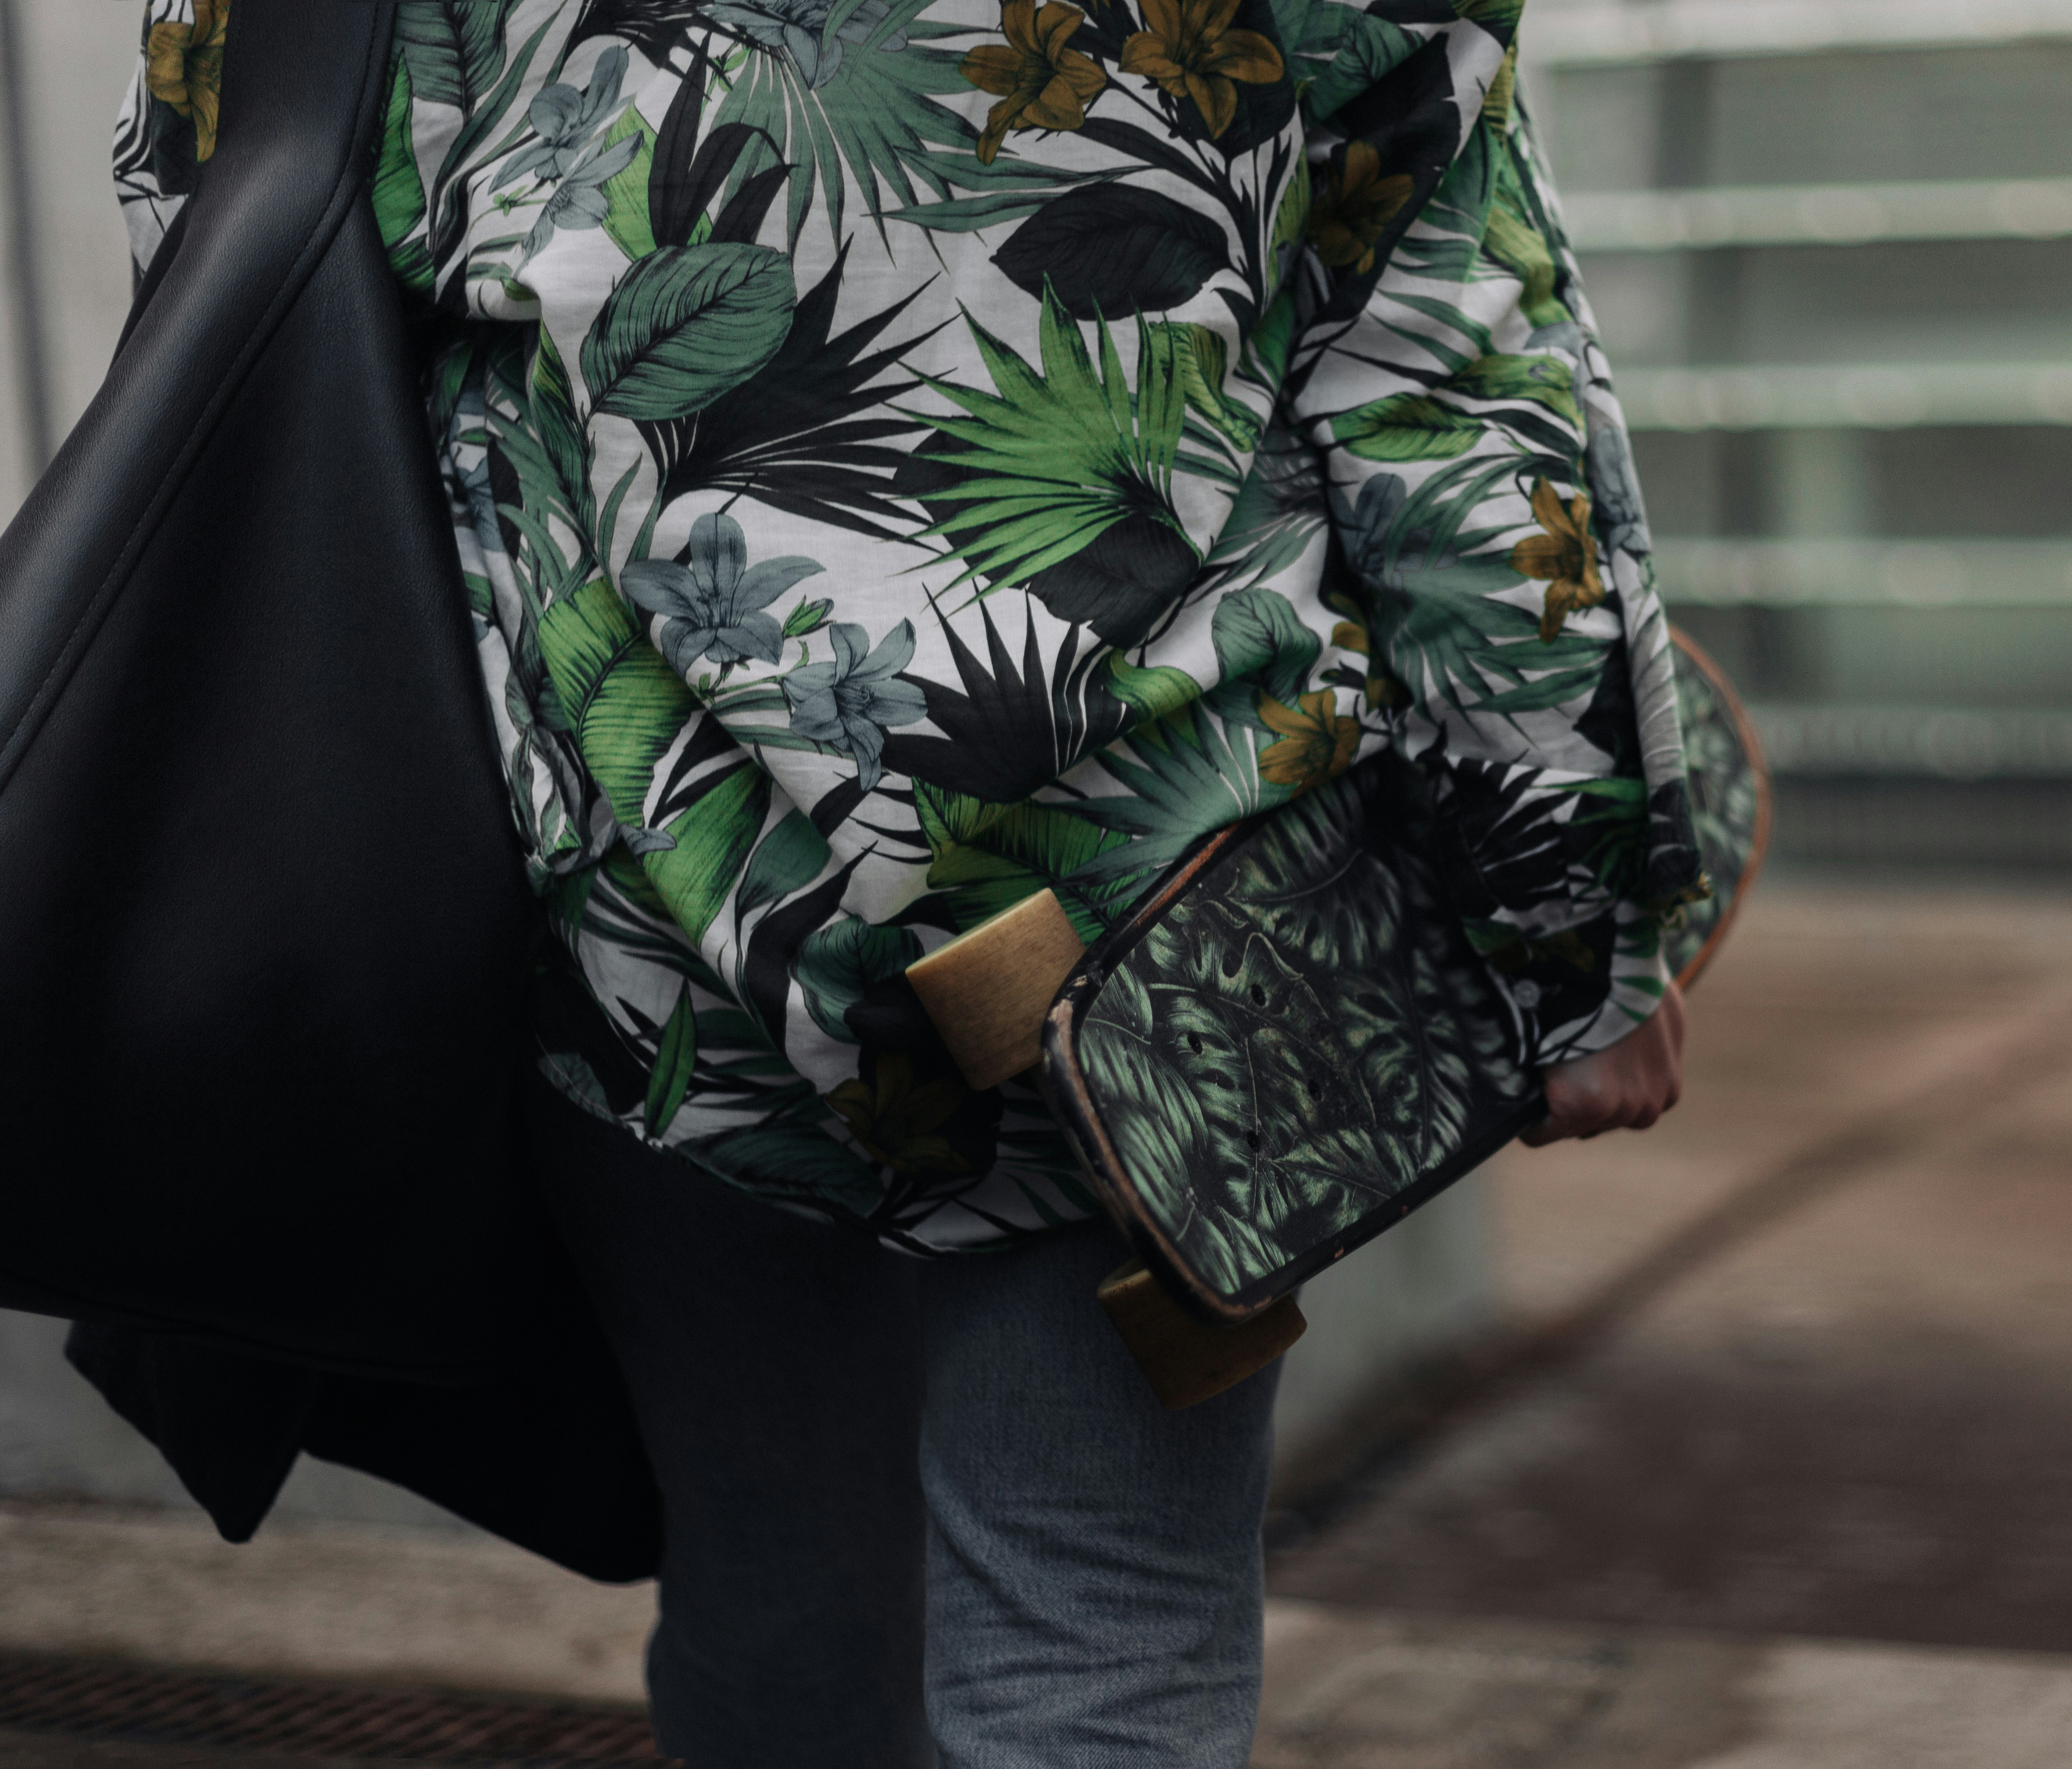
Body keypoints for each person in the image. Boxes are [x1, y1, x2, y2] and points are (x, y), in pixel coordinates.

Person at [110, 1, 1690, 1762]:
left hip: (650, 907)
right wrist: (1569, 926)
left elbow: (222, 256)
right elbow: (1456, 382)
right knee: (1103, 1641)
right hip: (1160, 924)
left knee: (785, 1609)